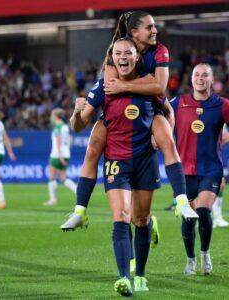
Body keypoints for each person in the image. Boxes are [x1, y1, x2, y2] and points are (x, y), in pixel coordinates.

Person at [61, 10, 197, 232]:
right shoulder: (115, 54)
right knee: (93, 146)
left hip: (150, 110)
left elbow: (157, 88)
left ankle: (181, 201)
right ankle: (80, 211)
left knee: (166, 141)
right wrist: (144, 82)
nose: (155, 31)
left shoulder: (159, 51)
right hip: (118, 116)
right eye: (149, 27)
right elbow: (111, 88)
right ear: (134, 32)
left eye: (154, 26)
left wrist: (127, 86)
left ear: (135, 54)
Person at [72, 37, 160, 295]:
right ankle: (125, 278)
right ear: (112, 58)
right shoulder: (103, 86)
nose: (122, 57)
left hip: (144, 158)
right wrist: (78, 112)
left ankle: (141, 274)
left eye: (128, 52)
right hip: (116, 160)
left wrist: (160, 131)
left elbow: (167, 110)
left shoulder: (150, 84)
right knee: (121, 217)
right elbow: (78, 125)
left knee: (140, 219)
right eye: (117, 53)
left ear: (136, 57)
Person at [170, 63, 229, 275]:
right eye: (196, 74)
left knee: (204, 211)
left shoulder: (222, 105)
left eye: (205, 75)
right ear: (191, 79)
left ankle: (205, 253)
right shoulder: (178, 103)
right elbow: (158, 119)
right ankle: (190, 260)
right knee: (189, 218)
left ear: (211, 79)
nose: (200, 78)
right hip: (183, 172)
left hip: (211, 170)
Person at [43, 108, 77, 206]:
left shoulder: (57, 127)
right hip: (66, 153)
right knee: (63, 178)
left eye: (52, 115)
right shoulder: (65, 126)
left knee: (52, 177)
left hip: (57, 155)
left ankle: (53, 200)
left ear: (55, 116)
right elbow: (69, 140)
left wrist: (60, 156)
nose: (51, 117)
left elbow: (58, 143)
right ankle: (78, 191)